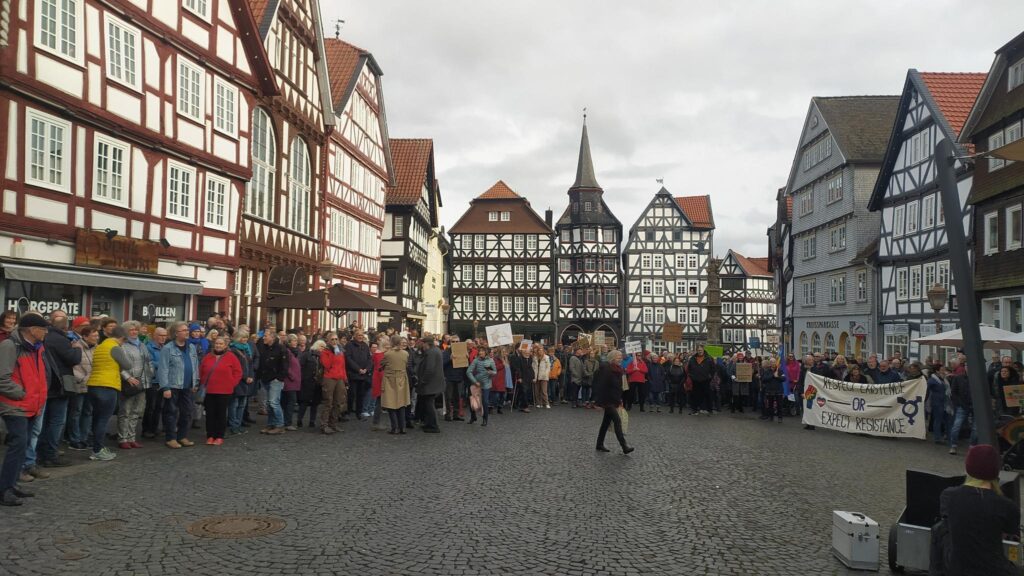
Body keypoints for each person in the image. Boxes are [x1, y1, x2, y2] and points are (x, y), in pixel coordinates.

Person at [938, 444, 1019, 576]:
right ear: (996, 470)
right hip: (994, 570)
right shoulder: (1008, 506)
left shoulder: (948, 496)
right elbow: (1008, 537)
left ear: (968, 467)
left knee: (939, 530)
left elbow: (948, 525)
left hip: (957, 569)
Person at [0, 314, 50, 505]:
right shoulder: (10, 346)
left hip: (30, 404)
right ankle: (4, 490)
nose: (46, 332)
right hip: (15, 405)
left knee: (23, 446)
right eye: (43, 328)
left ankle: (10, 484)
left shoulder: (36, 348)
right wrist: (22, 393)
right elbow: (2, 378)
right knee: (18, 446)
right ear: (32, 330)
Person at [36, 310, 81, 468]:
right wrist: (76, 348)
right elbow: (74, 359)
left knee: (43, 422)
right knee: (56, 421)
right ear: (65, 326)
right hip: (59, 384)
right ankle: (50, 454)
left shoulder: (44, 337)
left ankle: (40, 453)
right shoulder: (61, 339)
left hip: (46, 383)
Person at [87, 325, 128, 461]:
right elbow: (128, 365)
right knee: (103, 420)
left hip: (93, 384)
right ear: (121, 338)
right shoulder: (115, 347)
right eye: (124, 341)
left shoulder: (101, 346)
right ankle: (98, 450)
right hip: (108, 385)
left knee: (96, 418)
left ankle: (96, 446)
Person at [159, 321, 200, 449]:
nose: (187, 332)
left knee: (187, 412)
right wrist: (165, 387)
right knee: (171, 412)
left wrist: (195, 382)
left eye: (187, 330)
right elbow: (163, 368)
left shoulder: (191, 347)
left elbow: (195, 365)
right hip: (173, 385)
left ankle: (182, 436)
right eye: (183, 330)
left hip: (187, 386)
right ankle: (171, 438)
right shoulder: (168, 348)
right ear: (176, 333)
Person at [112, 321, 151, 450]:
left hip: (142, 383)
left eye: (136, 330)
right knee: (125, 411)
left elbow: (148, 361)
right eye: (131, 330)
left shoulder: (142, 345)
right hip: (129, 383)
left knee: (136, 412)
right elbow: (118, 364)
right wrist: (128, 377)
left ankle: (131, 437)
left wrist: (151, 372)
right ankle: (122, 438)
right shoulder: (122, 345)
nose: (134, 332)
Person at [198, 337, 243, 446]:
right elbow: (201, 371)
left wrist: (232, 383)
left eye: (221, 344)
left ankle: (219, 436)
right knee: (210, 414)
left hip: (224, 390)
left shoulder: (231, 357)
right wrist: (201, 384)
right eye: (217, 343)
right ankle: (210, 435)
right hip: (209, 390)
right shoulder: (207, 357)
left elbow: (238, 372)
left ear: (225, 345)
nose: (218, 345)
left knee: (221, 414)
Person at [593, 350, 634, 455]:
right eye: (618, 357)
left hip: (614, 399)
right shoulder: (606, 369)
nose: (620, 359)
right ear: (612, 358)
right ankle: (624, 445)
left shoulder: (619, 370)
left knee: (605, 423)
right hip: (607, 400)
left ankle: (599, 444)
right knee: (617, 420)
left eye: (620, 357)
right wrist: (597, 401)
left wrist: (619, 400)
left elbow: (618, 387)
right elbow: (600, 386)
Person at [68, 326, 97, 451]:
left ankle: (84, 437)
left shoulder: (97, 348)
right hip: (78, 384)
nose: (96, 338)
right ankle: (75, 439)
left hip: (92, 385)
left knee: (88, 412)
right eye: (93, 336)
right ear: (85, 336)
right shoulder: (75, 346)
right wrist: (83, 378)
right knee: (76, 412)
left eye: (97, 336)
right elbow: (72, 366)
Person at [255, 329, 288, 435]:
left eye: (266, 336)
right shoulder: (264, 347)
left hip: (275, 380)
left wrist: (279, 378)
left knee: (274, 402)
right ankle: (271, 424)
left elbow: (285, 366)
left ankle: (279, 425)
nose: (263, 337)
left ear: (272, 337)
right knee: (270, 403)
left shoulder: (281, 349)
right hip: (266, 378)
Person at [318, 332, 348, 434]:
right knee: (328, 402)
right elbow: (327, 365)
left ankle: (333, 423)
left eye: (336, 339)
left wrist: (345, 379)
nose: (335, 341)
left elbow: (343, 366)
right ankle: (324, 425)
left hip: (339, 378)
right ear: (328, 341)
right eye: (332, 339)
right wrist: (333, 353)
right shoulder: (325, 352)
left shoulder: (340, 351)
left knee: (339, 402)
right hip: (329, 378)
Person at [381, 335, 410, 434]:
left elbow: (381, 364)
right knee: (401, 404)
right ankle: (402, 427)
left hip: (390, 379)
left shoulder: (387, 354)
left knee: (391, 404)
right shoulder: (405, 353)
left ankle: (394, 427)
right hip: (402, 379)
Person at [141, 327, 167, 439]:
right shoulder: (148, 347)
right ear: (155, 336)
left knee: (159, 407)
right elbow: (150, 363)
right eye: (161, 335)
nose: (163, 338)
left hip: (162, 381)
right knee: (150, 406)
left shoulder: (165, 348)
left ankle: (154, 428)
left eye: (165, 335)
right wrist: (165, 364)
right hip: (152, 381)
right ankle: (146, 429)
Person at [228, 330, 255, 435]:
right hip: (237, 381)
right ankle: (233, 425)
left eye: (246, 337)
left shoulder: (246, 350)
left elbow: (250, 364)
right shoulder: (233, 350)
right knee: (234, 404)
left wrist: (251, 376)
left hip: (245, 382)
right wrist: (245, 377)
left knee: (242, 405)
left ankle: (238, 425)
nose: (245, 340)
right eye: (243, 338)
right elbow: (235, 368)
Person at [416, 335, 444, 433]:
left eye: (423, 343)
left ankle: (433, 425)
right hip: (434, 383)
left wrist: (423, 381)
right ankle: (429, 423)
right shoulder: (435, 351)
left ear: (426, 344)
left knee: (429, 404)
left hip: (430, 384)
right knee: (428, 404)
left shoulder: (431, 353)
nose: (422, 345)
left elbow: (429, 369)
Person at [948, 366, 976, 455]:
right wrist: (959, 403)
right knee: (957, 426)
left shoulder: (978, 378)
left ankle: (972, 446)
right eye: (968, 366)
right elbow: (954, 392)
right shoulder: (958, 378)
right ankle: (953, 445)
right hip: (962, 405)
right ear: (965, 368)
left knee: (976, 428)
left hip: (976, 406)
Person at [345, 330, 372, 419]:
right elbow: (348, 359)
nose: (360, 337)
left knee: (361, 395)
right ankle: (348, 411)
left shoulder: (365, 345)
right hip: (353, 374)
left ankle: (359, 412)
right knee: (351, 394)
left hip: (363, 374)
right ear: (355, 336)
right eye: (358, 335)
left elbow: (369, 358)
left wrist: (366, 369)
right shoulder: (349, 345)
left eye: (361, 335)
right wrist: (358, 369)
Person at [466, 347, 496, 426]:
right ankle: (473, 417)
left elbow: (495, 372)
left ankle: (485, 419)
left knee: (485, 402)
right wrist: (475, 381)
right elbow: (468, 372)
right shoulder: (476, 360)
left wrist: (491, 372)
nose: (481, 352)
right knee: (473, 400)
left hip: (486, 384)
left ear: (486, 352)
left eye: (482, 351)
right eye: (480, 351)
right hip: (476, 383)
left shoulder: (491, 360)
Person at [297, 336, 322, 429]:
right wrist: (303, 378)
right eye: (321, 347)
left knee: (315, 403)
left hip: (317, 383)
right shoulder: (307, 355)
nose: (322, 349)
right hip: (307, 382)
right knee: (304, 402)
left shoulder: (323, 357)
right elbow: (300, 367)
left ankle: (312, 421)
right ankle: (299, 419)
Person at [281, 334, 302, 431]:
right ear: (289, 342)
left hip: (295, 381)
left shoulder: (296, 352)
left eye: (296, 340)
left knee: (288, 401)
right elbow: (286, 365)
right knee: (290, 402)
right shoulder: (287, 352)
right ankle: (287, 422)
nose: (295, 342)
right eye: (293, 340)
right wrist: (291, 375)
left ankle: (285, 421)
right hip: (289, 381)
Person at [687, 345, 715, 416]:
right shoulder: (693, 358)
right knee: (695, 396)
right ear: (697, 350)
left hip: (706, 380)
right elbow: (689, 368)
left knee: (707, 395)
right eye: (698, 350)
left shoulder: (709, 358)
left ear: (703, 350)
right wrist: (691, 376)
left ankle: (709, 409)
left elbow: (713, 369)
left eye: (701, 350)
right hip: (696, 380)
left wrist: (710, 376)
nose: (700, 351)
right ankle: (695, 410)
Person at [442, 343, 465, 422]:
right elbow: (442, 364)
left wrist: (467, 359)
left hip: (458, 377)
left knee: (457, 397)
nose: (455, 343)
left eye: (457, 341)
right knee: (448, 397)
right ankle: (448, 415)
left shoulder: (462, 351)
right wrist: (449, 359)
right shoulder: (446, 352)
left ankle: (456, 414)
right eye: (453, 341)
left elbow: (465, 365)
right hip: (449, 378)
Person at [927, 365, 950, 445]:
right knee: (938, 420)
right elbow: (927, 389)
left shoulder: (944, 379)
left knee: (947, 420)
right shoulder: (932, 380)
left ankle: (948, 435)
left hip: (945, 402)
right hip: (937, 403)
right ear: (937, 371)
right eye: (942, 369)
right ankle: (937, 438)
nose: (944, 371)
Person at [761, 357, 784, 423]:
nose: (773, 363)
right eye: (771, 362)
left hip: (778, 391)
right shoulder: (767, 371)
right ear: (769, 363)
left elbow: (784, 379)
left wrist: (778, 377)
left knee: (779, 405)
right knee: (770, 405)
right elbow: (764, 379)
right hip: (769, 391)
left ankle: (780, 417)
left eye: (774, 362)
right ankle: (771, 417)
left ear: (775, 363)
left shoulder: (780, 370)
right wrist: (773, 376)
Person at [530, 345, 551, 409]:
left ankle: (546, 403)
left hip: (544, 376)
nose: (540, 352)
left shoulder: (546, 357)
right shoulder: (535, 358)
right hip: (536, 376)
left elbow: (548, 367)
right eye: (539, 350)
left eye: (541, 350)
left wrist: (546, 374)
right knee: (537, 391)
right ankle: (539, 403)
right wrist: (533, 376)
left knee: (544, 391)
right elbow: (533, 367)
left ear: (544, 351)